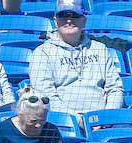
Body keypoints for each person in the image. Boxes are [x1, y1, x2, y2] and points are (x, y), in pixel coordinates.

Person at [29, 0, 124, 130]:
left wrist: (105, 119)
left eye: (74, 15)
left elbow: (115, 88)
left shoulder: (100, 49)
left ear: (84, 20)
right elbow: (46, 96)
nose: (69, 20)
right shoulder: (42, 53)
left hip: (103, 122)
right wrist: (79, 121)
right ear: (55, 21)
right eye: (63, 15)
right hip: (63, 123)